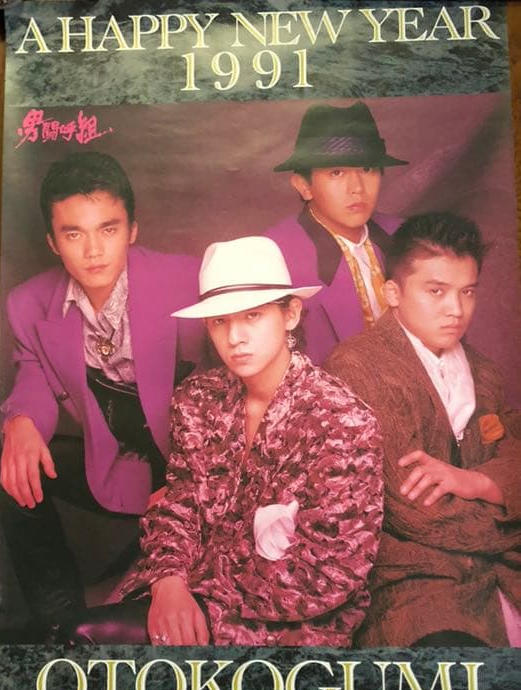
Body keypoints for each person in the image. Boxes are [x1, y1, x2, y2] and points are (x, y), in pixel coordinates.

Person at [65, 235, 383, 646]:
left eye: (252, 316)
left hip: (289, 618)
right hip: (185, 590)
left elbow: (329, 572)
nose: (235, 337)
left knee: (95, 642)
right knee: (78, 642)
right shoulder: (196, 400)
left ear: (290, 314)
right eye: (220, 321)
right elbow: (179, 506)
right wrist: (167, 582)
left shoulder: (343, 420)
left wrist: (197, 596)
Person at [0, 151, 206, 641]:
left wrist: (190, 482)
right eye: (74, 234)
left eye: (108, 229)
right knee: (6, 465)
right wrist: (20, 421)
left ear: (132, 230)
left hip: (197, 469)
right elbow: (32, 375)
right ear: (52, 242)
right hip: (117, 464)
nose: (93, 250)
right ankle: (60, 626)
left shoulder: (187, 280)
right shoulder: (28, 303)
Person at [325, 211, 521, 647]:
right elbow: (412, 511)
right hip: (414, 583)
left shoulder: (485, 371)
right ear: (393, 292)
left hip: (502, 573)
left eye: (467, 292)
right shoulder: (357, 366)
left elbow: (515, 454)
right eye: (436, 291)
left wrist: (477, 482)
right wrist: (512, 518)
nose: (456, 310)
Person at [264, 101, 407, 365]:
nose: (357, 188)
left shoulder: (408, 236)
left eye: (367, 169)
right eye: (337, 172)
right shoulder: (271, 256)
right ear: (304, 186)